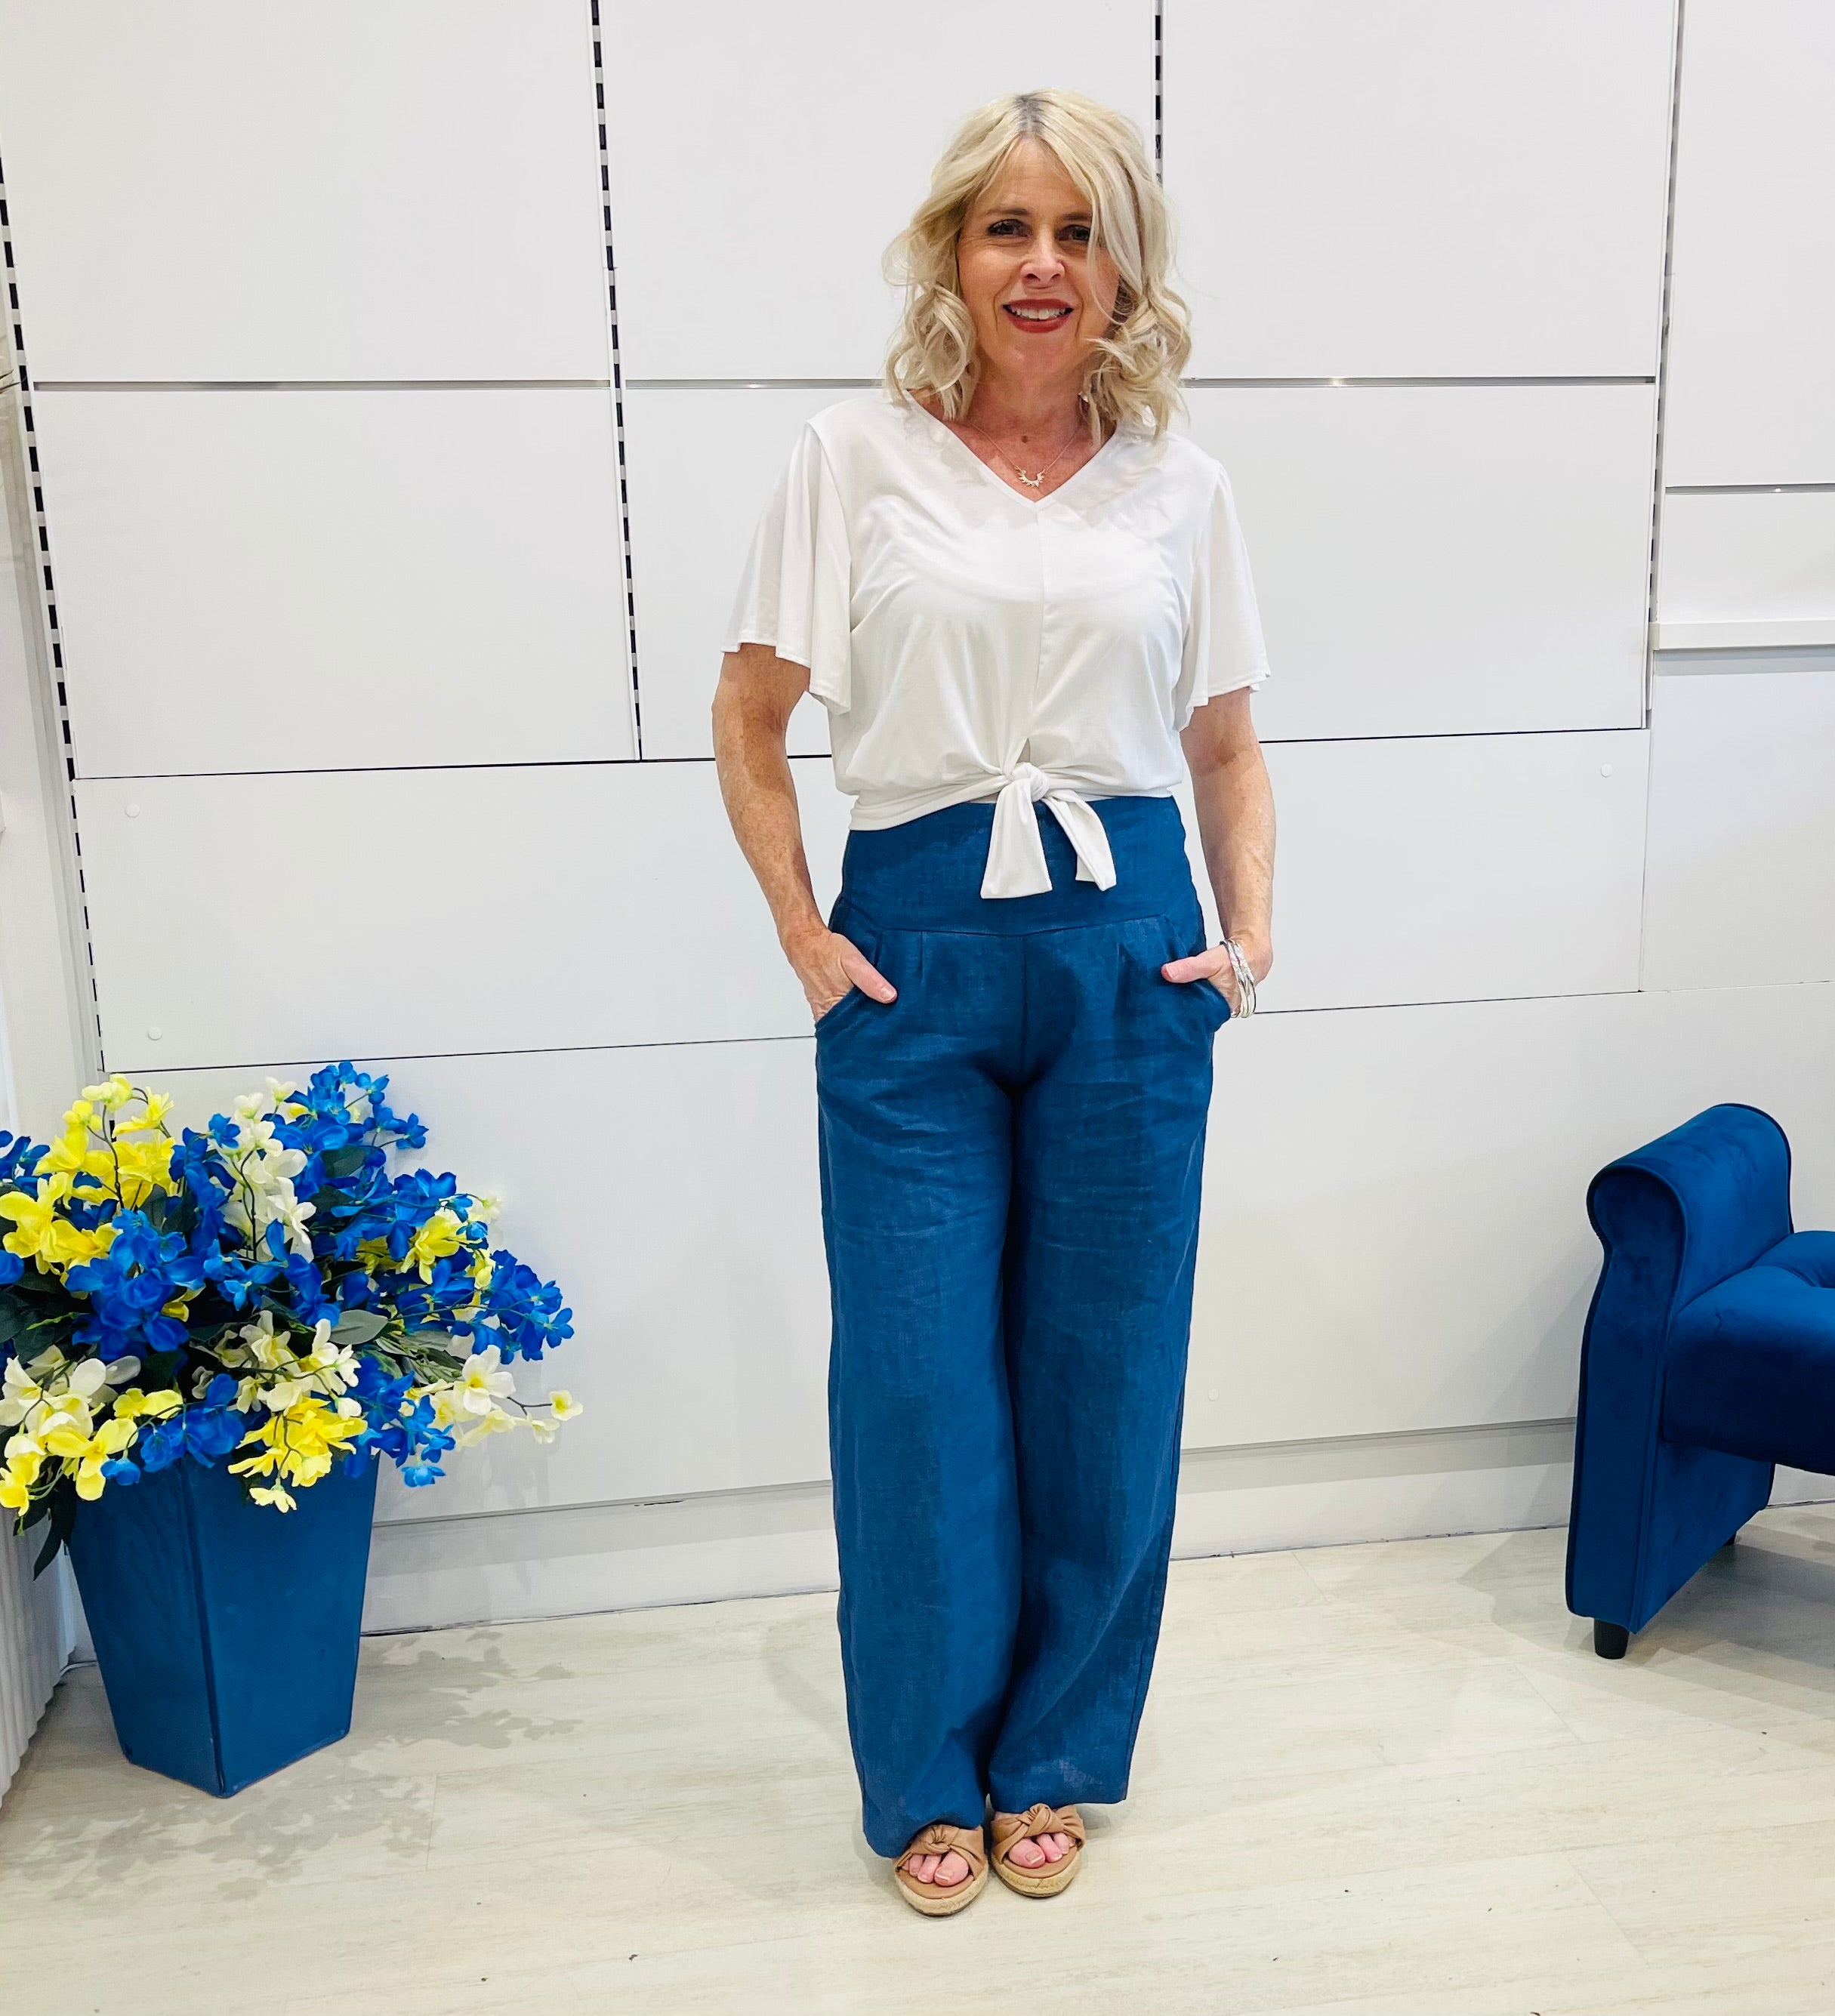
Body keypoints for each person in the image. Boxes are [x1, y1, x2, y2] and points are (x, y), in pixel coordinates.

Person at [713, 87, 1275, 1916]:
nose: (1044, 265)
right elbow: (750, 715)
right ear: (953, 253)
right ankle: (927, 1772)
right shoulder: (851, 457)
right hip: (917, 943)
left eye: (1080, 231)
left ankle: (1051, 1756)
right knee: (917, 1387)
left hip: (1128, 951)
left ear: (1128, 268)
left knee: (1104, 1380)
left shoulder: (1182, 486)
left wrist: (1244, 942)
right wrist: (807, 933)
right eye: (1007, 229)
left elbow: (1225, 746)